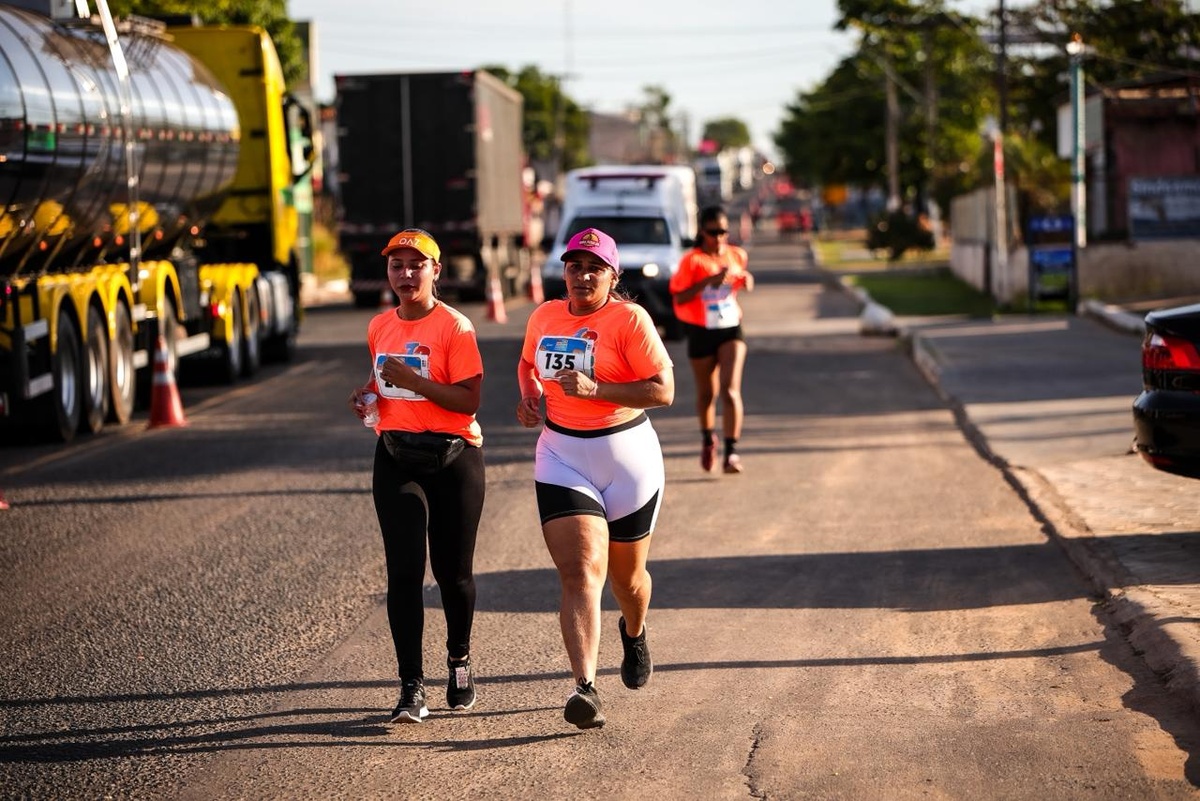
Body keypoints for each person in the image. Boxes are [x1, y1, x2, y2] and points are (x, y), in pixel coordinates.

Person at [516, 228, 674, 730]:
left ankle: (635, 630)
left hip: (627, 455)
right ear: (564, 272)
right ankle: (584, 687)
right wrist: (530, 396)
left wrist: (596, 389)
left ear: (612, 275)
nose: (583, 276)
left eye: (594, 268)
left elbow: (663, 390)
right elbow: (527, 363)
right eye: (575, 267)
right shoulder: (545, 316)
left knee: (627, 581)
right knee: (581, 571)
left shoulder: (629, 319)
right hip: (561, 453)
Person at [348, 227, 486, 724]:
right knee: (404, 572)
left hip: (454, 457)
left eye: (416, 265)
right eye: (396, 265)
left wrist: (416, 382)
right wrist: (367, 396)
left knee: (453, 574)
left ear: (435, 271)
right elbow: (382, 381)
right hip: (396, 455)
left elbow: (469, 400)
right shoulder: (380, 325)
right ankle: (411, 686)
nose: (405, 274)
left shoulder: (455, 328)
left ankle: (459, 660)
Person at [669, 205, 754, 474]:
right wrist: (707, 282)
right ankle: (708, 439)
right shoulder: (692, 261)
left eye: (723, 231)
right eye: (713, 232)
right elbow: (679, 297)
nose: (719, 237)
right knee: (707, 394)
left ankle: (732, 453)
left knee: (730, 390)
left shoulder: (737, 255)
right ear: (702, 232)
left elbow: (740, 280)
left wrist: (747, 280)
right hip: (701, 330)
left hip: (731, 328)